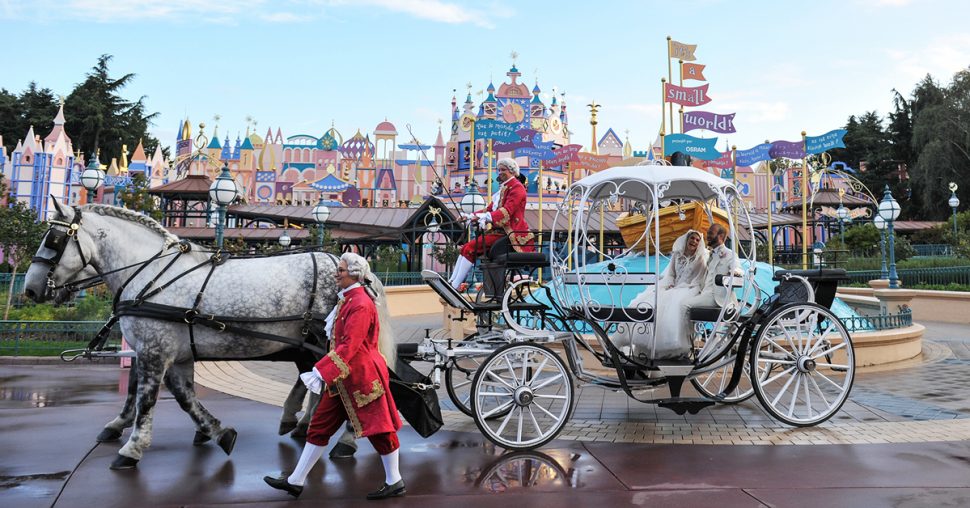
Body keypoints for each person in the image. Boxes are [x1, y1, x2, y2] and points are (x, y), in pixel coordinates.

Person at [264, 252, 405, 501]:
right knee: (319, 426)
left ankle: (394, 481)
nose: (336, 273)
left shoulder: (360, 303)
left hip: (361, 377)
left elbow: (349, 346)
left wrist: (321, 370)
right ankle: (296, 480)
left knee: (379, 430)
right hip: (343, 378)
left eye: (340, 270)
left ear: (353, 274)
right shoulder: (349, 300)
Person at [613, 230, 707, 359]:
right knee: (646, 301)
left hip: (688, 288)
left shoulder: (700, 259)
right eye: (692, 238)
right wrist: (670, 283)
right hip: (672, 286)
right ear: (686, 239)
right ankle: (638, 341)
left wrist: (681, 287)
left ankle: (669, 347)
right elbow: (671, 274)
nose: (694, 241)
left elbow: (698, 279)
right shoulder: (677, 255)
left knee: (673, 305)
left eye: (697, 240)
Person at [448, 158, 534, 290]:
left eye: (503, 170)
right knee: (466, 247)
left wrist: (485, 217)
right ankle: (452, 280)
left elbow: (506, 212)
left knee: (470, 248)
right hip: (499, 232)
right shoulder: (504, 189)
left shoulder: (517, 188)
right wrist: (470, 216)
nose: (500, 172)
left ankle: (455, 285)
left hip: (510, 233)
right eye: (499, 170)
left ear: (512, 171)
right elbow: (489, 209)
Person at [681, 223, 741, 340]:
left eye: (710, 233)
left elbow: (737, 268)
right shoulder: (710, 254)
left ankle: (685, 342)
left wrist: (735, 272)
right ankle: (691, 339)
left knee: (684, 305)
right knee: (680, 300)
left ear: (721, 236)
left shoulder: (729, 254)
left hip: (717, 297)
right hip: (705, 293)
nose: (707, 236)